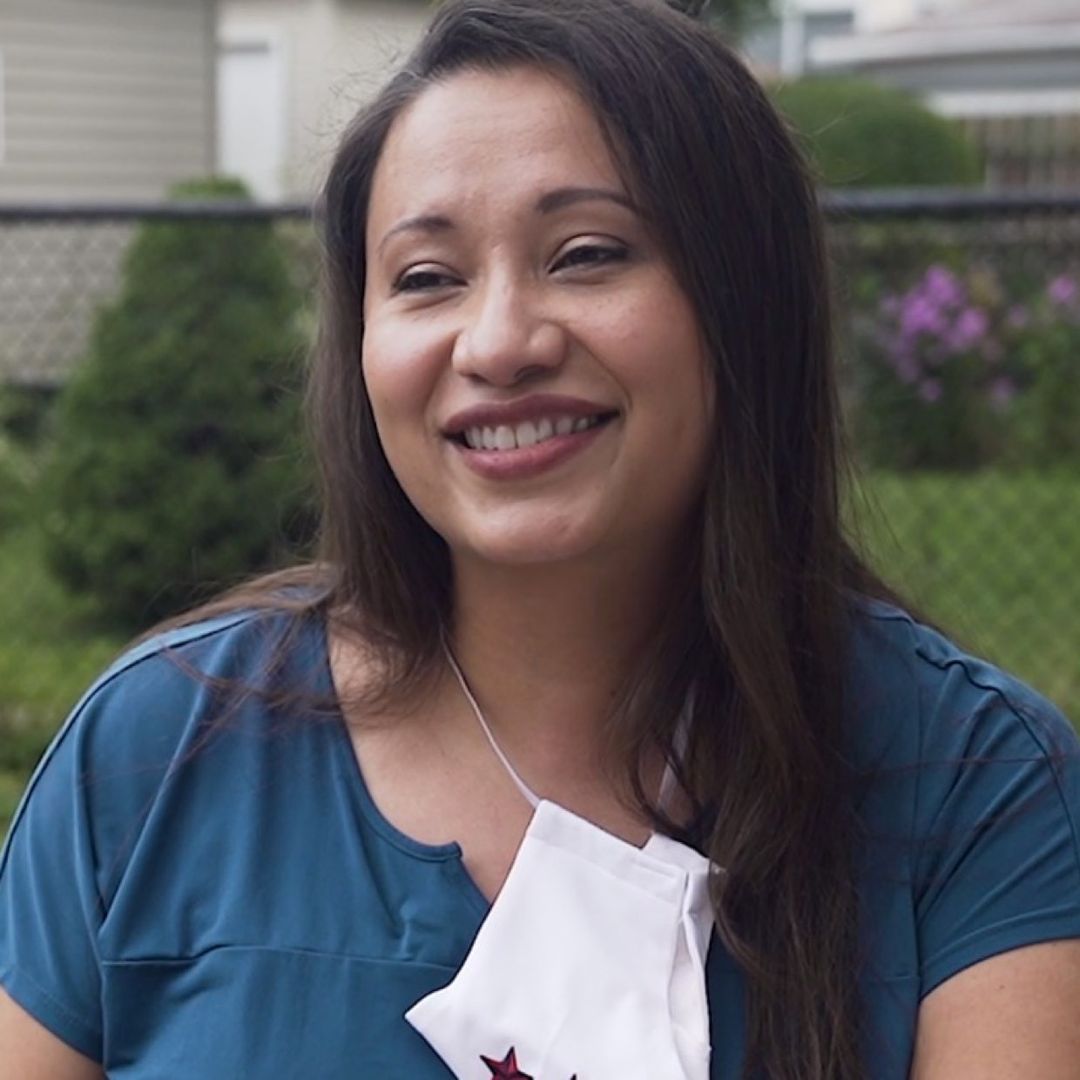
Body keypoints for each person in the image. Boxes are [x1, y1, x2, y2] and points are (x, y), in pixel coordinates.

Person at [2, 1, 1079, 1077]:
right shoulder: (153, 754)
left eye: (587, 254)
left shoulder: (976, 788)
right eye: (427, 277)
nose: (502, 340)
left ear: (745, 300)